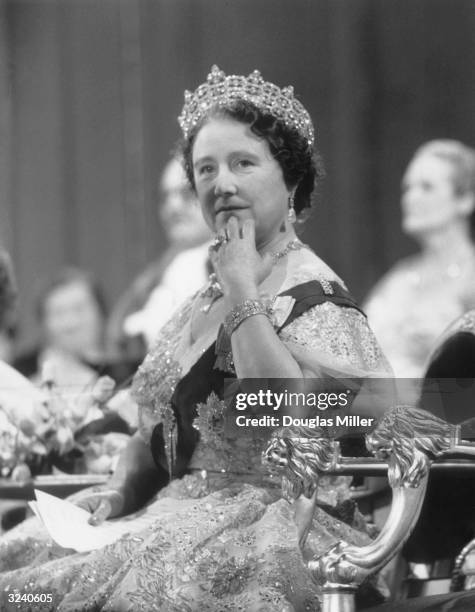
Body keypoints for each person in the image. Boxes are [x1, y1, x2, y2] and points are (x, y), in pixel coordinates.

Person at [0, 66, 391, 610]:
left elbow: (283, 409)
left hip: (267, 524)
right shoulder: (198, 299)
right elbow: (152, 434)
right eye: (205, 169)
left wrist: (241, 291)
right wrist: (120, 489)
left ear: (292, 180)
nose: (221, 183)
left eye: (243, 163)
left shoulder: (315, 292)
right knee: (16, 570)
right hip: (169, 508)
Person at [364, 140, 475, 403]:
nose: (411, 197)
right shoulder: (399, 278)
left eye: (427, 187)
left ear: (465, 199)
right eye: (407, 187)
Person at [107, 156, 212, 357]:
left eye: (187, 194)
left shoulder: (240, 264)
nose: (173, 207)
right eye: (165, 197)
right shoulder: (153, 277)